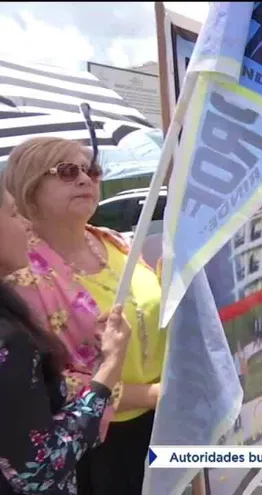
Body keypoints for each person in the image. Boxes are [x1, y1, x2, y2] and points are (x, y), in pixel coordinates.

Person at [3, 137, 167, 494]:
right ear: (29, 187)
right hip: (96, 442)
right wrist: (153, 394)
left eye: (91, 170)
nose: (84, 179)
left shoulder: (115, 240)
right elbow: (49, 382)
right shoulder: (19, 275)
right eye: (66, 171)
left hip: (165, 418)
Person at [0, 186, 132, 495]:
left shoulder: (114, 244)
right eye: (14, 213)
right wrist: (109, 368)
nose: (26, 224)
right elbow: (40, 469)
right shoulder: (8, 341)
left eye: (91, 170)